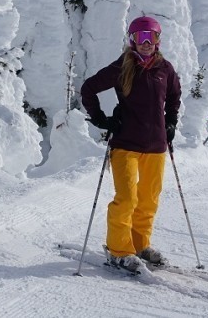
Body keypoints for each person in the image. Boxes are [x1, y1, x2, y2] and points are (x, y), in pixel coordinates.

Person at [81, 15, 182, 273]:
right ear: (132, 40)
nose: (146, 43)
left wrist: (171, 122)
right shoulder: (122, 67)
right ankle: (118, 250)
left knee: (148, 200)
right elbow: (89, 88)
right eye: (141, 38)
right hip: (126, 143)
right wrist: (101, 119)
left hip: (156, 146)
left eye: (152, 37)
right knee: (126, 199)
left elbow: (174, 97)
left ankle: (139, 245)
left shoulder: (165, 69)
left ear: (158, 40)